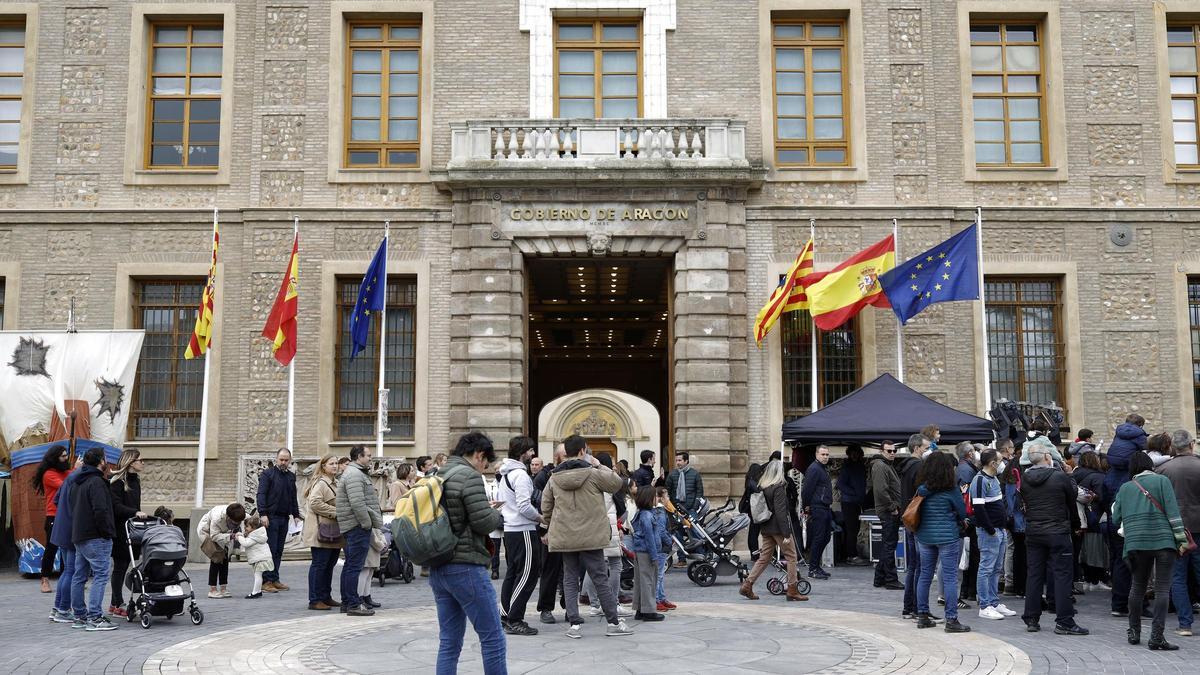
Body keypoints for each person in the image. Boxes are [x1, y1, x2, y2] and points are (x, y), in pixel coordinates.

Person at [429, 431, 506, 674]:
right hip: (466, 566)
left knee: (449, 642)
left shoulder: (440, 473)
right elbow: (484, 523)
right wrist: (495, 513)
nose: (484, 469)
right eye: (486, 463)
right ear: (479, 455)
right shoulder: (469, 476)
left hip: (439, 566)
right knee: (493, 638)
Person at [543, 434, 632, 639]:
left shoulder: (554, 477)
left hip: (565, 536)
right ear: (583, 451)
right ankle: (613, 622)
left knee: (570, 578)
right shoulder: (593, 474)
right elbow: (617, 483)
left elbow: (546, 507)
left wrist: (551, 525)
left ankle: (574, 624)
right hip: (592, 535)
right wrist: (598, 464)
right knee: (600, 577)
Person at [1113, 449, 1189, 650]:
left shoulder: (1125, 488)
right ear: (1150, 466)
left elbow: (1115, 518)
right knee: (1163, 589)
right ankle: (1156, 637)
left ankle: (1134, 631)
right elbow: (1173, 512)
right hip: (1163, 541)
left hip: (1136, 543)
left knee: (1137, 587)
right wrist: (1181, 539)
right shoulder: (1162, 481)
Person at [1020, 446, 1088, 635]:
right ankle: (1064, 620)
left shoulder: (1025, 479)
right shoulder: (1059, 477)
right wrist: (1075, 524)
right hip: (1057, 530)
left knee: (1034, 575)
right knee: (1062, 575)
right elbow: (1071, 500)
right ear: (1047, 457)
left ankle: (1032, 618)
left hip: (1034, 530)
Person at [913, 451, 970, 633]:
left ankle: (922, 615)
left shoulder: (921, 489)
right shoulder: (951, 489)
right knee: (950, 577)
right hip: (948, 537)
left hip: (925, 536)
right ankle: (951, 620)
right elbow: (962, 512)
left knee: (925, 575)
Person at [741, 459, 808, 602]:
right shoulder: (778, 488)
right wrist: (786, 533)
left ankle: (747, 584)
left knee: (764, 558)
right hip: (778, 528)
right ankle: (792, 589)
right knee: (791, 557)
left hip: (766, 527)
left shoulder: (763, 487)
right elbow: (781, 512)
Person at [498, 436, 544, 636]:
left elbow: (502, 503)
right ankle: (514, 619)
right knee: (527, 575)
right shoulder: (521, 475)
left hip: (511, 530)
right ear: (522, 452)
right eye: (531, 450)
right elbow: (524, 506)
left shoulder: (506, 474)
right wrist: (541, 518)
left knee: (513, 574)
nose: (533, 454)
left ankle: (505, 614)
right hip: (523, 529)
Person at [69, 447, 117, 631]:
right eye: (105, 458)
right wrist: (107, 532)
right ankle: (95, 617)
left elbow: (73, 506)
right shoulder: (96, 482)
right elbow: (101, 510)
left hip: (80, 534)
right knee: (101, 574)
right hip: (96, 536)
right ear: (101, 461)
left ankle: (79, 616)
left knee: (79, 575)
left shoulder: (78, 480)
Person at [581, 453, 633, 620]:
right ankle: (613, 603)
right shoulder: (609, 481)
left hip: (591, 528)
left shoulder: (587, 480)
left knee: (593, 567)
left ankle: (595, 605)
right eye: (611, 463)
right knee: (616, 565)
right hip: (609, 527)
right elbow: (621, 509)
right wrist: (620, 526)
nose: (614, 467)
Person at [1158, 430, 1200, 638]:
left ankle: (1185, 624)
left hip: (1175, 528)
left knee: (1178, 576)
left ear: (1173, 446)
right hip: (1198, 525)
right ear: (1191, 444)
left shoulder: (1164, 469)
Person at [337, 445, 383, 616]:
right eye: (368, 455)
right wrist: (365, 523)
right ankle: (353, 604)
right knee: (354, 567)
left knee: (351, 566)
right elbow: (357, 503)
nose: (371, 458)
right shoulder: (355, 474)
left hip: (354, 525)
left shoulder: (355, 472)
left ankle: (347, 602)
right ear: (358, 456)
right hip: (356, 526)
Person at [971, 450, 1015, 620]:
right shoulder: (980, 480)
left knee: (996, 568)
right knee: (986, 568)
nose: (1003, 462)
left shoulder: (994, 478)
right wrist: (990, 530)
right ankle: (985, 605)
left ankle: (994, 602)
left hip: (999, 530)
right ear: (993, 463)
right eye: (1000, 460)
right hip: (990, 531)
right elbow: (979, 509)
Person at [900, 433, 934, 620]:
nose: (928, 451)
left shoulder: (906, 467)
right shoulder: (918, 467)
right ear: (916, 448)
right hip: (916, 520)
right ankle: (916, 607)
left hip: (909, 518)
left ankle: (909, 607)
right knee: (919, 566)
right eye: (925, 448)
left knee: (914, 566)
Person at [107, 448, 145, 617]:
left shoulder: (135, 481)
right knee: (120, 567)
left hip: (133, 529)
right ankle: (117, 603)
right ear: (131, 462)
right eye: (140, 460)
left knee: (125, 566)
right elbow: (115, 507)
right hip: (120, 530)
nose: (143, 463)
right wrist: (134, 513)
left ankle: (114, 603)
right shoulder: (117, 482)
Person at [256, 448, 300, 592]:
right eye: (281, 459)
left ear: (290, 460)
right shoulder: (267, 474)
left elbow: (293, 497)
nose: (283, 462)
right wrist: (263, 513)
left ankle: (275, 579)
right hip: (270, 517)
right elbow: (261, 494)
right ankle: (266, 581)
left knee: (279, 550)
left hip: (284, 517)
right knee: (270, 550)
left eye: (286, 460)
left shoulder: (290, 476)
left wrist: (296, 514)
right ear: (276, 459)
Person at [302, 454, 343, 611]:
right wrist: (336, 511)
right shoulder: (321, 483)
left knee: (329, 564)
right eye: (331, 463)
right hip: (321, 531)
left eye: (336, 463)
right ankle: (315, 599)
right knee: (320, 565)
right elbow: (314, 503)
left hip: (333, 531)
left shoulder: (335, 483)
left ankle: (325, 596)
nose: (335, 466)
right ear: (323, 466)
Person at [47, 454, 84, 624]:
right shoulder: (77, 478)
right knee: (71, 571)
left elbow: (56, 500)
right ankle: (63, 609)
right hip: (70, 530)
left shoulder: (69, 478)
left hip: (61, 528)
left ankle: (58, 608)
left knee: (67, 571)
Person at [31, 445, 71, 594]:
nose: (66, 458)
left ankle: (66, 578)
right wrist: (77, 471)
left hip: (67, 515)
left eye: (66, 455)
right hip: (54, 515)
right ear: (55, 458)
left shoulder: (67, 472)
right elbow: (66, 486)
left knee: (68, 548)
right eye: (63, 456)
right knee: (52, 548)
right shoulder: (49, 474)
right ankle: (45, 579)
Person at [536, 443, 567, 624]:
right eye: (564, 455)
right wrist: (544, 528)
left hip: (571, 530)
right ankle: (545, 608)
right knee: (550, 570)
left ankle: (570, 607)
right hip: (551, 530)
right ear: (557, 457)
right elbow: (540, 505)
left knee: (570, 571)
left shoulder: (577, 472)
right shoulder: (544, 476)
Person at [631, 485, 670, 620]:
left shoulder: (641, 513)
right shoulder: (647, 515)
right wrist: (654, 556)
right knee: (649, 581)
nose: (657, 499)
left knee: (641, 581)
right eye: (655, 496)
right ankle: (648, 611)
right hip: (647, 552)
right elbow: (650, 538)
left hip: (640, 551)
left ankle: (640, 609)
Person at [870, 441, 904, 589]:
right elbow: (880, 490)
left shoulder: (886, 465)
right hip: (888, 511)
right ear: (881, 451)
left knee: (888, 545)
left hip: (890, 510)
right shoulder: (880, 466)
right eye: (889, 451)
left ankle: (880, 578)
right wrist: (892, 507)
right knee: (889, 546)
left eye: (894, 451)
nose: (892, 453)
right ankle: (890, 579)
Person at [197, 502, 247, 600]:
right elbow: (214, 536)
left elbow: (249, 518)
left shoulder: (237, 514)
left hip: (223, 533)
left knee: (225, 558)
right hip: (207, 532)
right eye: (234, 523)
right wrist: (232, 536)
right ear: (228, 517)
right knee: (216, 559)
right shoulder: (217, 518)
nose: (236, 526)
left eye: (238, 523)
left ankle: (223, 588)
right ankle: (212, 590)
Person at [1072, 451, 1108, 589]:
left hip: (1079, 517)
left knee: (1083, 550)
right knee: (1097, 549)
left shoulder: (1074, 475)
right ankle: (1096, 580)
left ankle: (1085, 578)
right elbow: (1102, 497)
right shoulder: (1098, 477)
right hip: (1095, 517)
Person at [802, 445, 834, 579]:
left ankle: (816, 566)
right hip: (817, 507)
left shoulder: (821, 469)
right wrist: (807, 506)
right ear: (817, 454)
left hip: (824, 507)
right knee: (819, 537)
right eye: (823, 454)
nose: (825, 457)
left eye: (827, 454)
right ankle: (813, 568)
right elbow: (807, 489)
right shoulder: (814, 469)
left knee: (826, 537)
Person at [838, 445, 868, 565]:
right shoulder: (847, 467)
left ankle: (851, 554)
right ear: (849, 454)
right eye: (852, 453)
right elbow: (840, 484)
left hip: (856, 502)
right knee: (851, 529)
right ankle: (851, 556)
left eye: (857, 453)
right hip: (849, 502)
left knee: (854, 529)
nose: (855, 455)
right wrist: (855, 493)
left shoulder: (860, 466)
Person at [653, 486, 677, 612]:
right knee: (659, 575)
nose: (669, 499)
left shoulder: (661, 511)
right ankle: (657, 599)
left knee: (661, 574)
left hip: (662, 545)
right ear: (661, 498)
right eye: (667, 496)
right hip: (661, 546)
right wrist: (669, 541)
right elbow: (661, 530)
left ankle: (661, 597)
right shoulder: (660, 512)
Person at [240, 515, 274, 599]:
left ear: (254, 527)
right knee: (258, 575)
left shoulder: (254, 537)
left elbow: (245, 543)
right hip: (261, 558)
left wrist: (239, 536)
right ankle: (258, 591)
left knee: (257, 576)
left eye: (247, 526)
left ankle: (255, 592)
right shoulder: (257, 535)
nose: (245, 528)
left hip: (261, 559)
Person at [739, 461, 765, 561]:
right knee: (754, 533)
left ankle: (754, 554)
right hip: (755, 511)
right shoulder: (753, 483)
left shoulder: (749, 480)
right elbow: (759, 493)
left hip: (751, 510)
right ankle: (755, 554)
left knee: (753, 533)